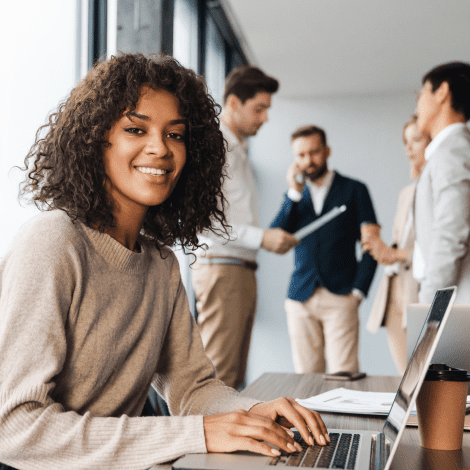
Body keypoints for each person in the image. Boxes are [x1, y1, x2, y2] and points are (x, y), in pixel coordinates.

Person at [0, 53, 329, 470]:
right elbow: (13, 428)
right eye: (135, 129)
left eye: (175, 135)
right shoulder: (52, 242)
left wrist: (252, 413)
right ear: (95, 139)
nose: (160, 148)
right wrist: (198, 434)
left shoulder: (161, 264)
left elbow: (192, 389)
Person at [192, 65, 298, 391]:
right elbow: (204, 221)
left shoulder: (238, 149)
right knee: (219, 379)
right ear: (234, 103)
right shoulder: (216, 147)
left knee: (233, 379)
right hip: (224, 268)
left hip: (238, 269)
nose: (265, 117)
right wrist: (261, 237)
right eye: (259, 108)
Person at [270, 125, 378, 374]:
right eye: (301, 155)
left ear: (327, 151)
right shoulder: (295, 197)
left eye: (314, 152)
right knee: (306, 378)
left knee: (344, 375)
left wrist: (359, 292)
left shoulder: (354, 190)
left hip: (341, 296)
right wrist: (293, 194)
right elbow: (275, 238)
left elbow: (372, 244)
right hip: (300, 297)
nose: (308, 160)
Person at [364, 115, 430, 374]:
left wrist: (395, 254)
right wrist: (378, 247)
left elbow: (442, 248)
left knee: (426, 377)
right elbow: (396, 245)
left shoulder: (446, 189)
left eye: (416, 139)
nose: (408, 148)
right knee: (406, 377)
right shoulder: (407, 193)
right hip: (392, 292)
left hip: (419, 290)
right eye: (406, 142)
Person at [413, 61, 470, 304]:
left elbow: (451, 232)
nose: (417, 105)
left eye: (421, 94)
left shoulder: (453, 151)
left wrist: (429, 306)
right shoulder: (450, 150)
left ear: (442, 92)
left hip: (453, 303)